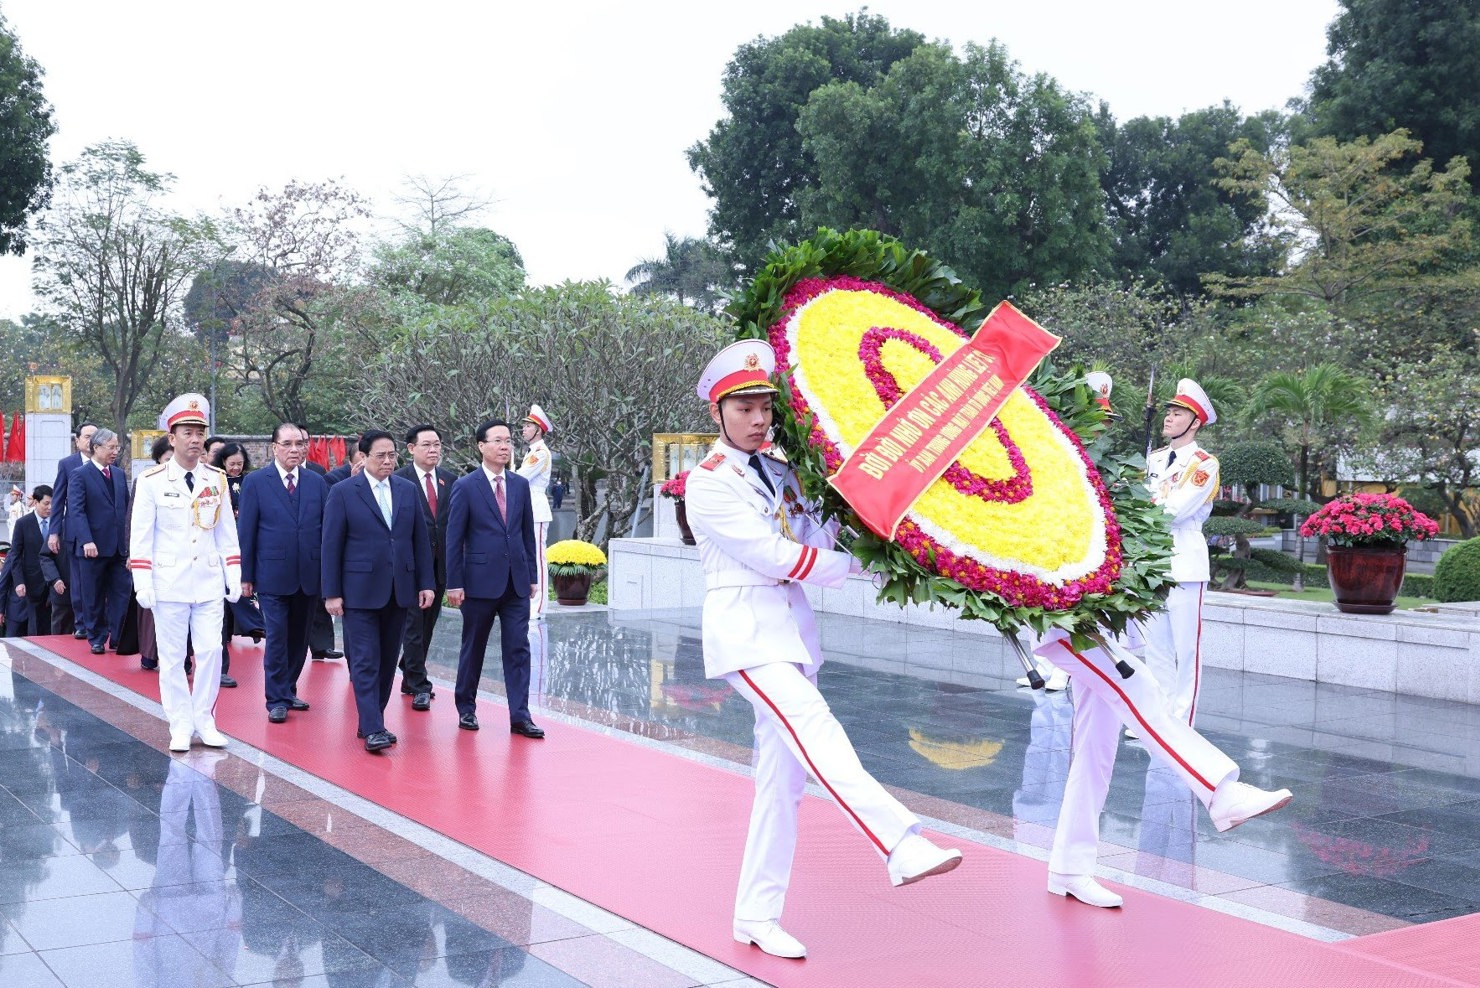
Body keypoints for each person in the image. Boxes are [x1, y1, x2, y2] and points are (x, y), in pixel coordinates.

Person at [684, 340, 961, 960]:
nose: (759, 418)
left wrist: (851, 504)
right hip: (748, 635)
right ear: (718, 412)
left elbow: (812, 530)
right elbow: (776, 557)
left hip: (794, 636)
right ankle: (899, 842)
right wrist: (849, 568)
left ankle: (755, 915)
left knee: (779, 783)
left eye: (765, 406)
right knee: (815, 728)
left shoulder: (782, 472)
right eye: (745, 406)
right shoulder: (707, 484)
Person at [1034, 629, 1292, 908]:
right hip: (1061, 620)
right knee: (1138, 684)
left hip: (1090, 621)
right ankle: (1220, 792)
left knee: (1095, 749)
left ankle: (1069, 868)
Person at [129, 393, 243, 752]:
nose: (195, 439)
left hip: (208, 583)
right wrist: (142, 581)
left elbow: (227, 532)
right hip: (169, 583)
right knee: (173, 657)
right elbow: (141, 536)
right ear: (172, 436)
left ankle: (204, 719)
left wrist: (234, 574)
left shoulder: (217, 479)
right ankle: (180, 723)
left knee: (211, 652)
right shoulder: (152, 480)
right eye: (188, 432)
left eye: (200, 432)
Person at [320, 430, 434, 753]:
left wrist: (425, 583)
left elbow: (419, 541)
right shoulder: (343, 492)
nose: (388, 461)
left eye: (392, 455)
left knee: (386, 660)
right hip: (358, 591)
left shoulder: (407, 490)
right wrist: (331, 592)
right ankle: (373, 727)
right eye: (380, 456)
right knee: (366, 660)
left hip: (399, 589)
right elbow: (331, 545)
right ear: (363, 457)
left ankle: (372, 719)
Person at [445, 419, 541, 737]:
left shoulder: (519, 485)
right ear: (481, 446)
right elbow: (454, 538)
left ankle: (520, 715)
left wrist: (531, 575)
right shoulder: (465, 486)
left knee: (518, 648)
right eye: (498, 440)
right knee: (474, 647)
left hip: (515, 582)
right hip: (478, 583)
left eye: (508, 440)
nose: (504, 446)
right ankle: (467, 708)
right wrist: (454, 583)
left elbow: (526, 533)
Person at [1141, 378, 1220, 726]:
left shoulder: (1204, 464)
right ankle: (1159, 716)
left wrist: (1146, 503)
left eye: (1178, 413)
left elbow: (1176, 511)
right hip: (1153, 561)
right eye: (1169, 412)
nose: (1169, 418)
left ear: (1195, 422)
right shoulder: (1155, 459)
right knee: (1155, 646)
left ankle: (1182, 720)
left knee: (1186, 649)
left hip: (1185, 562)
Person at [239, 423, 327, 725]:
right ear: (274, 447)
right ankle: (275, 699)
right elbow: (246, 531)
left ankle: (288, 689)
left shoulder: (317, 482)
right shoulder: (256, 482)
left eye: (299, 444)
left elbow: (326, 532)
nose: (294, 450)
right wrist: (246, 575)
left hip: (309, 574)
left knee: (299, 638)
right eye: (287, 444)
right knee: (277, 637)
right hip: (272, 574)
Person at [394, 424, 455, 711]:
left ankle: (409, 668)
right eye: (427, 445)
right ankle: (419, 683)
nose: (433, 450)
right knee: (413, 623)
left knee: (428, 622)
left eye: (437, 445)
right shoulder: (398, 480)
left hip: (440, 563)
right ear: (411, 449)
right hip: (411, 565)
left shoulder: (450, 481)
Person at [69, 428, 132, 654]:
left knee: (121, 594)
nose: (115, 451)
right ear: (96, 447)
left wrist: (129, 543)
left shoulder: (117, 474)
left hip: (118, 548)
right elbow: (76, 511)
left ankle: (117, 636)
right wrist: (86, 540)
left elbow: (126, 510)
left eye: (117, 447)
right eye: (111, 447)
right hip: (92, 547)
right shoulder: (79, 474)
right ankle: (96, 637)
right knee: (93, 595)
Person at [209, 440, 261, 684]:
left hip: (242, 545)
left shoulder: (251, 482)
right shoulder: (213, 480)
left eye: (240, 464)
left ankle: (254, 624)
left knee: (239, 589)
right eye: (232, 464)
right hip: (214, 550)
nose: (236, 469)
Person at [48, 421, 98, 637]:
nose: (91, 440)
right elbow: (58, 499)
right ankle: (81, 624)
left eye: (95, 436)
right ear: (77, 441)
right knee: (77, 581)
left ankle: (97, 624)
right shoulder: (68, 464)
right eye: (86, 436)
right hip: (75, 532)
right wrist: (53, 531)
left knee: (98, 581)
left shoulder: (107, 463)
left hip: (99, 530)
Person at [516, 405, 554, 621]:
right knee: (530, 557)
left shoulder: (540, 453)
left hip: (537, 510)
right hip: (528, 508)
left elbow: (521, 477)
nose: (524, 429)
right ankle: (532, 603)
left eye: (528, 426)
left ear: (538, 430)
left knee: (538, 558)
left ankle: (538, 606)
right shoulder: (533, 451)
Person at [6, 486, 60, 636]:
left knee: (54, 626)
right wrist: (19, 582)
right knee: (35, 627)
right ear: (35, 502)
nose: (50, 508)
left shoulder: (59, 522)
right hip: (32, 583)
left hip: (56, 582)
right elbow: (15, 555)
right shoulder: (23, 524)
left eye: (52, 504)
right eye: (46, 503)